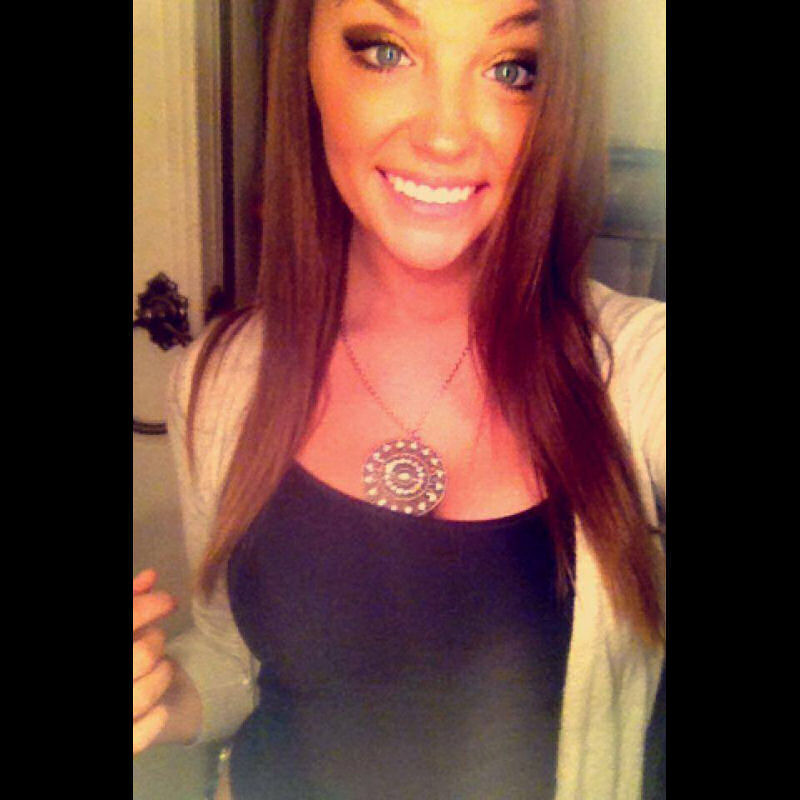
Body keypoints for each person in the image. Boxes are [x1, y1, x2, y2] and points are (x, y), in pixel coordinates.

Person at [132, 0, 666, 798]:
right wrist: (164, 695)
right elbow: (233, 656)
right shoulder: (219, 379)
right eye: (385, 51)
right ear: (304, 63)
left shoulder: (639, 373)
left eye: (513, 69)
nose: (447, 135)